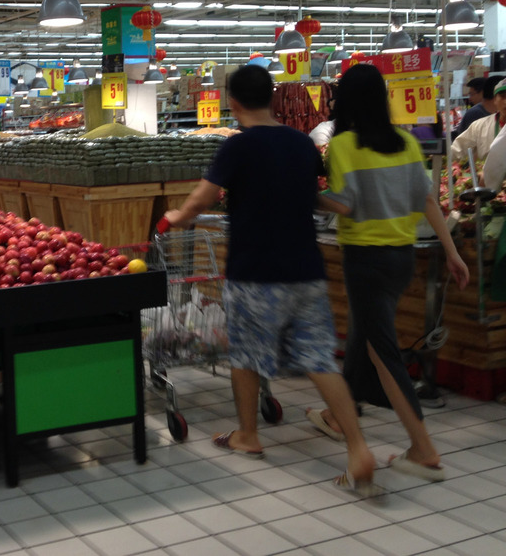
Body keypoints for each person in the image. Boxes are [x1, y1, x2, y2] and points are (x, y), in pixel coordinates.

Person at [163, 64, 377, 493]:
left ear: (233, 102)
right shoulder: (302, 144)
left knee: (244, 353)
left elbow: (204, 197)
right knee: (319, 359)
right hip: (306, 270)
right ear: (275, 99)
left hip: (255, 272)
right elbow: (312, 195)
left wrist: (178, 215)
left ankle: (247, 434)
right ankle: (357, 447)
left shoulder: (237, 147)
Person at [316, 64, 468, 483]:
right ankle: (335, 414)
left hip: (366, 260)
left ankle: (423, 449)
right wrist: (453, 253)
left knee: (383, 353)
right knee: (365, 337)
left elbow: (344, 204)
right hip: (401, 259)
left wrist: (310, 195)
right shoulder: (405, 141)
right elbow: (429, 202)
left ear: (344, 100)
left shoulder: (345, 145)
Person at [450, 77, 506, 163]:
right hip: (488, 176)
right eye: (502, 97)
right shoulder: (479, 126)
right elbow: (456, 151)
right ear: (495, 100)